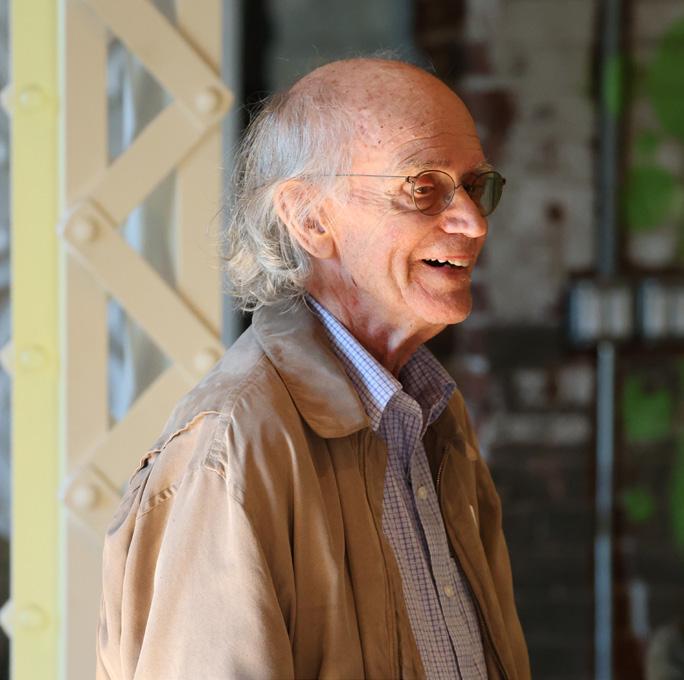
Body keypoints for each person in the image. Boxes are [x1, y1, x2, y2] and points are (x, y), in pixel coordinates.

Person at [96, 57, 530, 680]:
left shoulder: (432, 413)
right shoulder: (235, 444)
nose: (473, 222)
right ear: (310, 219)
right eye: (424, 187)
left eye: (475, 186)